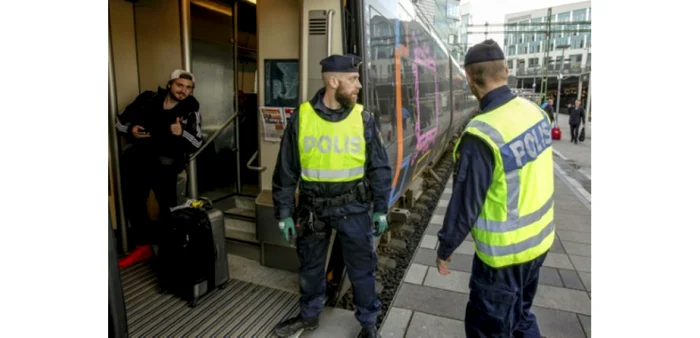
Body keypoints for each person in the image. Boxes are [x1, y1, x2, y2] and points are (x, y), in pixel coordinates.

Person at [436, 39, 554, 338]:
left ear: (469, 79)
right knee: (521, 316)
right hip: (539, 244)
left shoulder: (482, 134)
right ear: (506, 69)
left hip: (502, 258)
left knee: (488, 329)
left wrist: (446, 246)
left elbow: (466, 203)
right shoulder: (535, 112)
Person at [271, 54, 391, 338]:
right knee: (311, 268)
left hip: (354, 206)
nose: (358, 85)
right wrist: (284, 213)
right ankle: (309, 316)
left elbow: (380, 167)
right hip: (312, 209)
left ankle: (368, 325)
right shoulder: (302, 116)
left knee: (362, 269)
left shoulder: (364, 118)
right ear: (333, 81)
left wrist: (381, 209)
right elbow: (286, 169)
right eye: (353, 80)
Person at [115, 69, 203, 269]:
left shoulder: (191, 109)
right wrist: (131, 130)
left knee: (169, 209)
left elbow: (197, 142)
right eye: (179, 85)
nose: (183, 91)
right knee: (134, 203)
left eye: (188, 88)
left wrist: (182, 132)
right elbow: (119, 124)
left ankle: (170, 253)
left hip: (165, 165)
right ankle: (142, 247)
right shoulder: (148, 99)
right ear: (170, 84)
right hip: (137, 160)